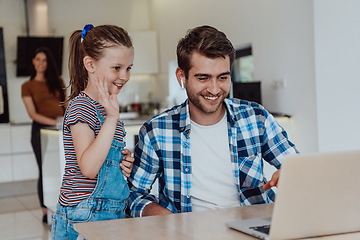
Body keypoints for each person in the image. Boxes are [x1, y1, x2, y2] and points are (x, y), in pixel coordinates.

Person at [128, 25, 299, 217]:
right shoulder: (156, 130)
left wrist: (290, 173)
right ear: (181, 76)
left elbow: (297, 165)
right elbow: (134, 196)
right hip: (189, 233)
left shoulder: (256, 117)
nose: (215, 89)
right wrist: (168, 220)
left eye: (222, 77)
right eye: (203, 78)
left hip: (253, 226)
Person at [51, 24, 135, 239]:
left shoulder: (105, 107)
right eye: (116, 68)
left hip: (110, 211)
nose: (124, 76)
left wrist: (120, 161)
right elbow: (88, 167)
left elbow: (101, 157)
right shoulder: (82, 106)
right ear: (90, 64)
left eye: (129, 68)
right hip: (85, 213)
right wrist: (112, 118)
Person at [21, 47, 66, 223]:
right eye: (38, 59)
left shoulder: (58, 82)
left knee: (62, 170)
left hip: (60, 130)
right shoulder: (27, 86)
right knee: (45, 170)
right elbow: (32, 114)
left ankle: (63, 206)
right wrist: (55, 123)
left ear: (48, 64)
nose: (41, 63)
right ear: (33, 62)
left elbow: (65, 106)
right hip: (41, 130)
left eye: (44, 60)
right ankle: (45, 210)